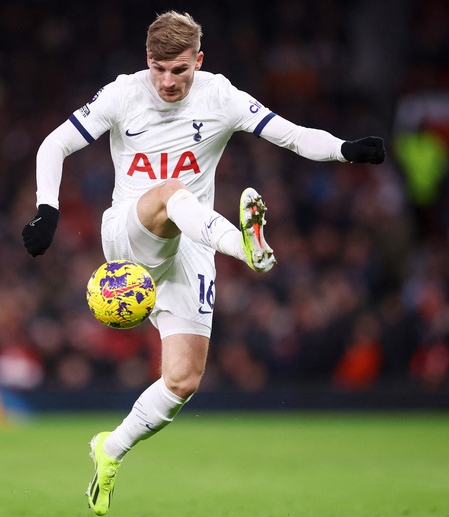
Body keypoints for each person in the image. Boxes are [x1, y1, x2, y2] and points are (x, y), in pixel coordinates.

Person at [22, 11, 385, 516]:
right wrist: (47, 209)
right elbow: (55, 143)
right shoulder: (123, 94)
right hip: (129, 232)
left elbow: (293, 135)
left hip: (191, 246)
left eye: (179, 70)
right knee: (172, 192)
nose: (167, 82)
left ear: (198, 60)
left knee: (183, 381)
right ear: (147, 60)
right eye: (158, 69)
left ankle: (111, 448)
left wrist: (345, 150)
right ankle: (246, 248)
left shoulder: (220, 96)